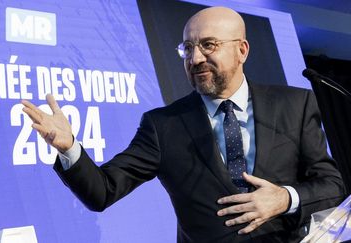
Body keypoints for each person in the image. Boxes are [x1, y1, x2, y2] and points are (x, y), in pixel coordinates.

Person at [21, 6, 344, 243]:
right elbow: (102, 192)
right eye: (187, 48)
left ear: (242, 50)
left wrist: (285, 198)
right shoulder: (163, 126)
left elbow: (331, 186)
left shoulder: (294, 104)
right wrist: (69, 149)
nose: (196, 58)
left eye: (208, 45)